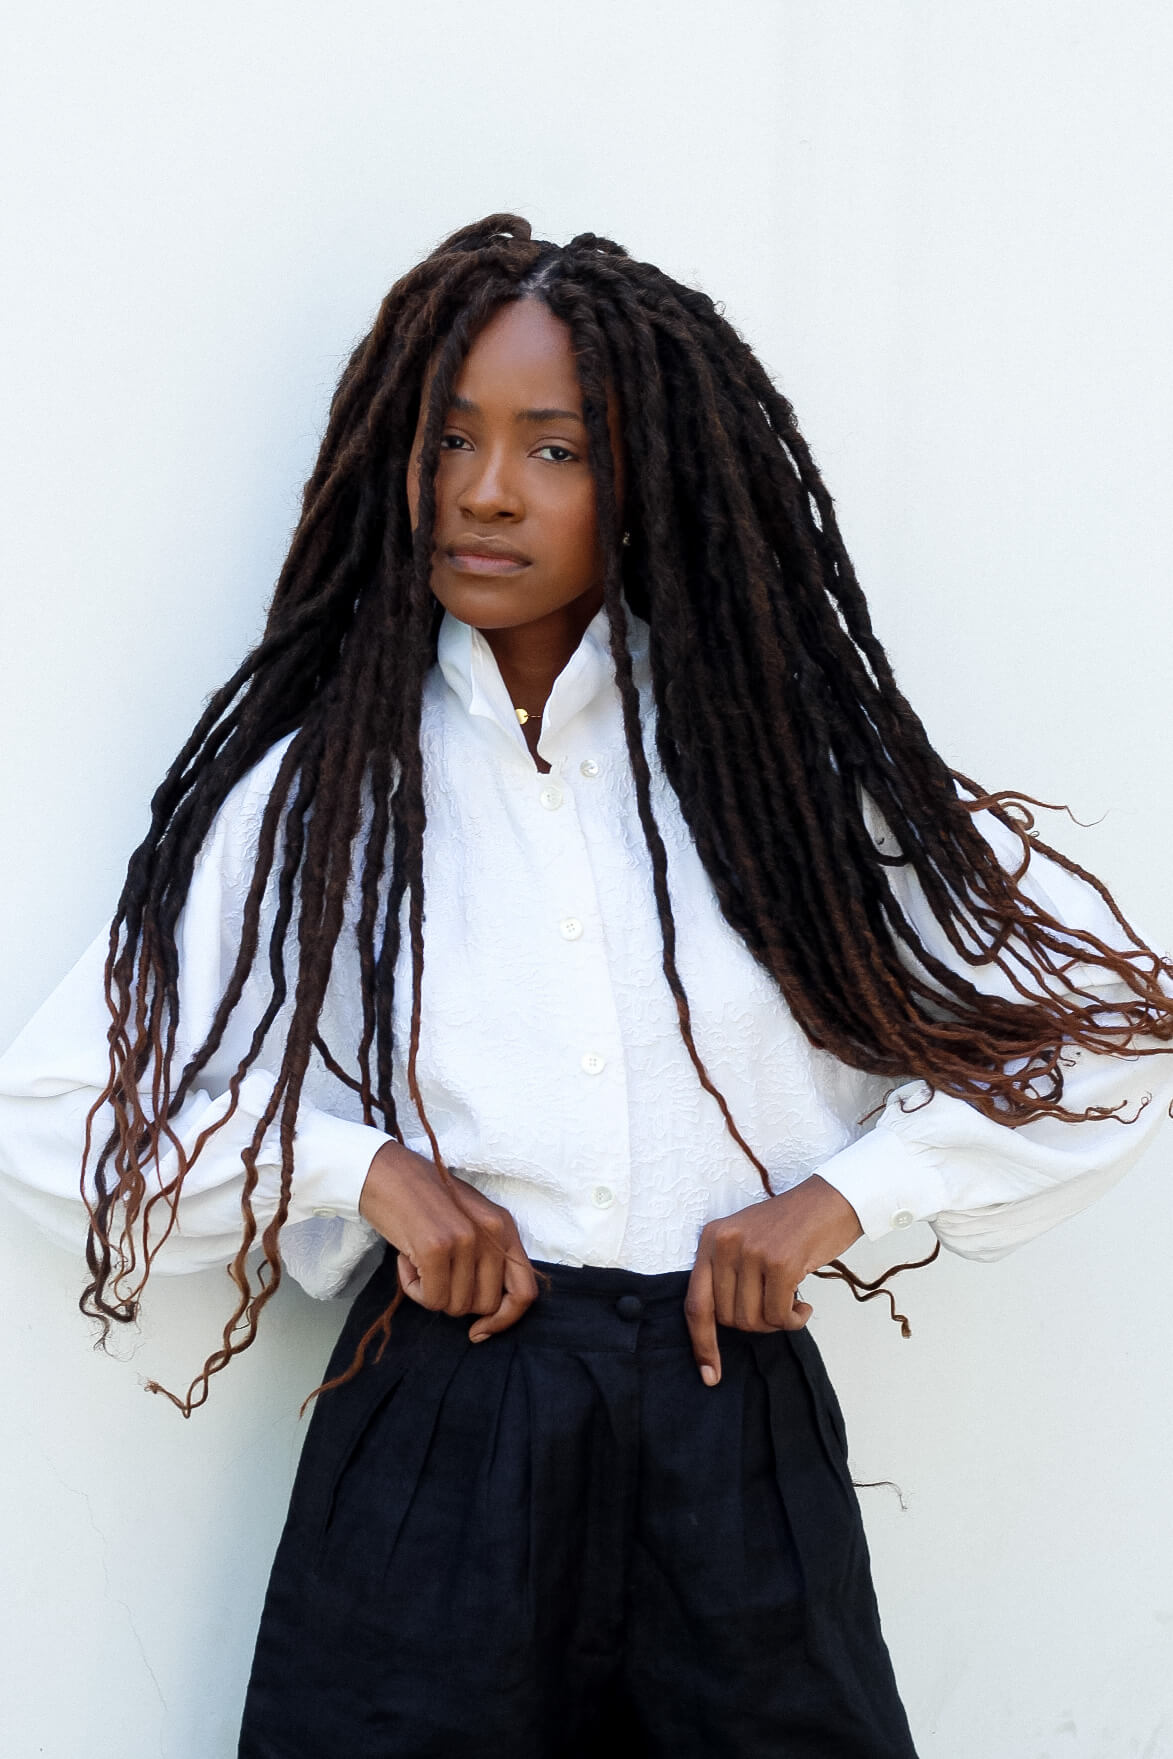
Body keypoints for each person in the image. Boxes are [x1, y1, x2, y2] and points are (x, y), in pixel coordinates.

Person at [1, 214, 1170, 1759]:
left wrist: (845, 1199)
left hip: (729, 1425)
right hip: (441, 1434)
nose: (484, 489)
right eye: (451, 439)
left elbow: (1107, 1045)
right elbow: (55, 1117)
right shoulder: (321, 797)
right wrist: (364, 1172)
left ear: (653, 481)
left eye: (554, 449)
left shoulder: (781, 780)